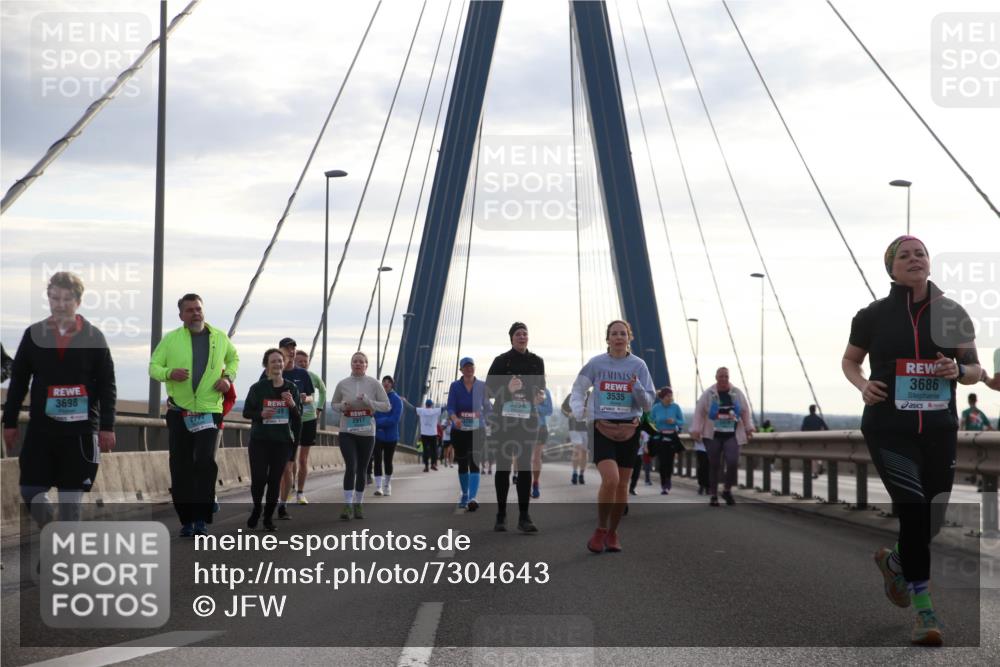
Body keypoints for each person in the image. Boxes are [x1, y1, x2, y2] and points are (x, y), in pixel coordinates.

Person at [842, 235, 981, 646]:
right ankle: (925, 612)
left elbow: (974, 369)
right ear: (892, 268)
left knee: (930, 521)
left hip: (938, 431)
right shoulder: (872, 315)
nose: (914, 259)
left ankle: (896, 562)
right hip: (889, 429)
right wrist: (863, 385)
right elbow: (850, 361)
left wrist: (958, 371)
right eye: (904, 255)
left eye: (920, 253)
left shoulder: (952, 313)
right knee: (914, 510)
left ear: (929, 262)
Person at [3, 272, 117, 527]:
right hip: (42, 430)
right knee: (31, 491)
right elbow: (19, 381)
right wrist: (9, 422)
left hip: (80, 432)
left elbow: (107, 384)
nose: (60, 304)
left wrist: (107, 426)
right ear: (49, 299)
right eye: (55, 298)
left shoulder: (93, 337)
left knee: (69, 504)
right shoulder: (34, 334)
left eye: (66, 299)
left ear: (78, 301)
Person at [149, 293, 239, 537]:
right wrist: (169, 373)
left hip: (209, 411)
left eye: (198, 309)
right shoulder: (171, 340)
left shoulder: (219, 337)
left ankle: (201, 518)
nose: (195, 313)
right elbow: (153, 367)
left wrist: (228, 378)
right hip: (180, 411)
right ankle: (186, 520)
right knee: (181, 466)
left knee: (204, 461)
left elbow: (234, 359)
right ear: (181, 316)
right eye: (189, 310)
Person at [571, 320, 655, 553]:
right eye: (614, 334)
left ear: (629, 338)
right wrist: (579, 410)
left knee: (622, 486)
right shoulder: (596, 363)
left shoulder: (639, 365)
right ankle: (600, 529)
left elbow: (648, 404)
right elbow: (578, 388)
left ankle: (613, 532)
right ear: (607, 339)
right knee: (611, 480)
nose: (618, 337)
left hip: (630, 429)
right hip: (602, 428)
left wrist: (636, 387)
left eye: (623, 334)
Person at [486, 322, 547, 533]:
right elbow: (488, 391)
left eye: (525, 334)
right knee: (503, 467)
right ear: (511, 338)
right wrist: (506, 388)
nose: (522, 337)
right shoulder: (501, 361)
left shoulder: (537, 361)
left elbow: (541, 388)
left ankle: (524, 516)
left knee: (524, 466)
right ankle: (501, 514)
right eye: (518, 334)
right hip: (503, 421)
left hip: (527, 421)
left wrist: (540, 396)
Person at [242, 349, 301, 531]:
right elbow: (246, 412)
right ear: (266, 365)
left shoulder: (291, 388)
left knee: (275, 480)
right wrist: (260, 414)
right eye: (273, 361)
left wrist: (292, 405)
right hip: (260, 440)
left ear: (284, 364)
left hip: (282, 442)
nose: (277, 364)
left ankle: (268, 517)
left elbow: (298, 418)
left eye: (280, 361)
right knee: (259, 479)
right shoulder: (257, 388)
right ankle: (257, 508)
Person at [330, 351, 390, 520]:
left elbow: (386, 406)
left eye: (361, 362)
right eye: (355, 361)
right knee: (351, 466)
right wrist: (342, 406)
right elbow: (334, 404)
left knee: (362, 469)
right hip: (347, 431)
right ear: (351, 364)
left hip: (367, 432)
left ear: (366, 365)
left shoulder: (374, 384)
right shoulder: (343, 384)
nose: (357, 364)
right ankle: (348, 505)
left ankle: (358, 504)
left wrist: (368, 402)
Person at [689, 367, 754, 507]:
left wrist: (749, 427)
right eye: (721, 376)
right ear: (716, 377)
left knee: (733, 462)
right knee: (714, 465)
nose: (724, 379)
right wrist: (696, 429)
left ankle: (727, 490)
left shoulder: (736, 393)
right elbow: (699, 412)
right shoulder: (708, 393)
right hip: (713, 435)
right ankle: (713, 495)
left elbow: (745, 411)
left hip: (732, 434)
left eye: (726, 376)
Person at [268, 338, 314, 520]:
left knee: (288, 467)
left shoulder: (302, 374)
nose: (291, 352)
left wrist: (303, 399)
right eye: (287, 349)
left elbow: (311, 397)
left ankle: (283, 504)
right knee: (274, 468)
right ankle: (272, 500)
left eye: (293, 349)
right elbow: (259, 393)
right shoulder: (269, 372)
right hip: (272, 427)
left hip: (293, 427)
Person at [447, 357, 491, 510]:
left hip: (477, 429)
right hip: (459, 430)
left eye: (471, 366)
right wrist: (454, 419)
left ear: (474, 368)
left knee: (474, 462)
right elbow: (450, 407)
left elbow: (488, 407)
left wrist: (486, 419)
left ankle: (472, 497)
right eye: (465, 367)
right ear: (461, 370)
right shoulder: (455, 386)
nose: (469, 369)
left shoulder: (482, 386)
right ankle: (465, 494)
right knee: (462, 463)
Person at [293, 349, 326, 504]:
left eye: (305, 361)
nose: (303, 363)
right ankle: (290, 486)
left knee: (303, 459)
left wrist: (319, 408)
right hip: (292, 420)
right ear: (294, 361)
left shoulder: (312, 376)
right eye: (299, 361)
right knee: (290, 458)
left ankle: (300, 492)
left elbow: (323, 391)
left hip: (309, 420)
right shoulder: (290, 375)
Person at [649, 387, 684, 495]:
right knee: (662, 462)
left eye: (671, 396)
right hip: (660, 437)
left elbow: (682, 421)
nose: (670, 398)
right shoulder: (656, 408)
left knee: (669, 462)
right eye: (668, 396)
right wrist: (656, 423)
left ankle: (668, 481)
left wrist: (674, 421)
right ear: (662, 398)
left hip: (672, 437)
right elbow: (650, 421)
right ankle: (663, 484)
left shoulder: (676, 407)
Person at [373, 375, 403, 496]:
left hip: (391, 436)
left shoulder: (397, 400)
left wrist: (379, 423)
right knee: (377, 460)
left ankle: (387, 484)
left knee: (388, 461)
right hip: (378, 435)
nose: (386, 383)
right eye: (384, 381)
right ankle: (378, 487)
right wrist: (379, 422)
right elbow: (372, 415)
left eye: (389, 382)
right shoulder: (377, 399)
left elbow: (395, 419)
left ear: (392, 384)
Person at [562, 390, 591, 485]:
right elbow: (563, 408)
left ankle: (581, 474)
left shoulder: (592, 396)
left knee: (584, 451)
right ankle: (574, 473)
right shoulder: (572, 395)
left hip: (587, 428)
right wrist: (568, 414)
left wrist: (588, 412)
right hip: (574, 427)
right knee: (577, 449)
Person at [530, 388, 553, 498]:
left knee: (536, 458)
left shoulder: (544, 391)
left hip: (540, 427)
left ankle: (535, 483)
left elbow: (549, 410)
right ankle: (525, 484)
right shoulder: (521, 387)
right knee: (525, 459)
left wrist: (535, 406)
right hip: (522, 427)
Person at [416, 400, 441, 472]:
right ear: (432, 405)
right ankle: (433, 464)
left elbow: (412, 408)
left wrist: (405, 401)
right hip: (433, 434)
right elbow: (445, 408)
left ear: (426, 405)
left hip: (424, 434)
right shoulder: (436, 411)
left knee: (425, 450)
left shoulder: (421, 410)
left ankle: (426, 466)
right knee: (434, 450)